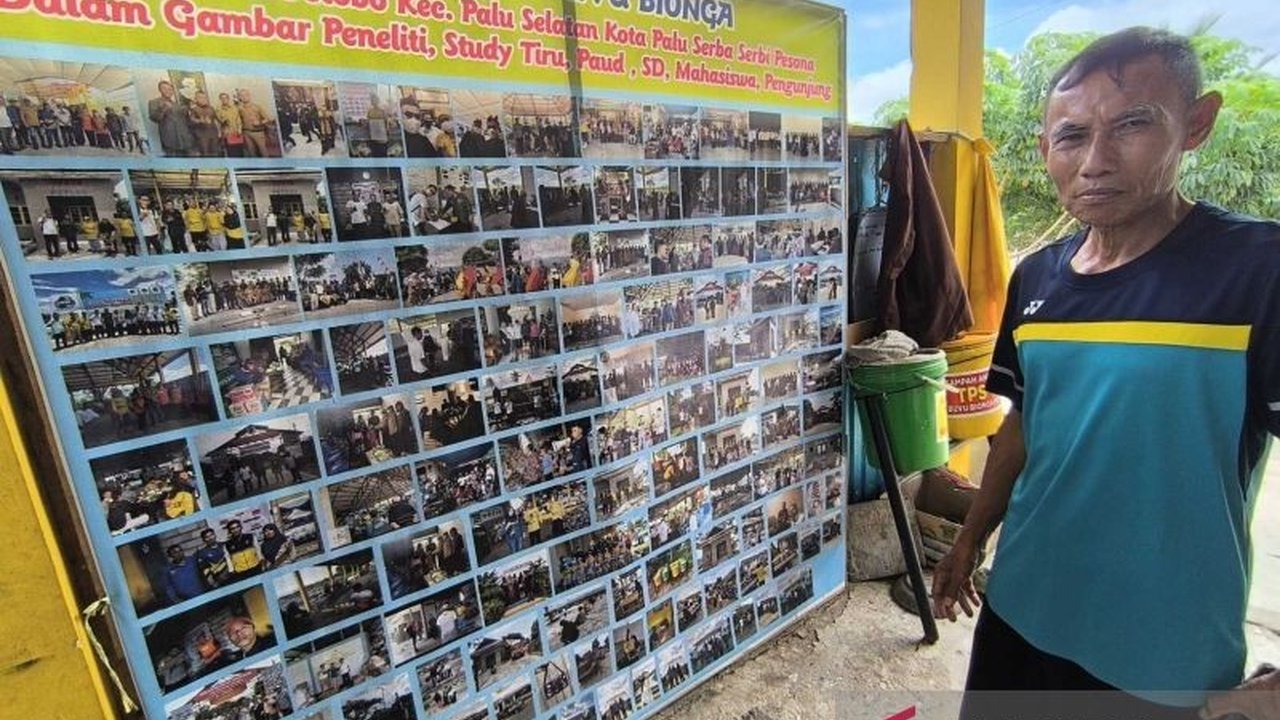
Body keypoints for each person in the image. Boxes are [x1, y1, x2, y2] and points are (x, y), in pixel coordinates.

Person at [929, 28, 1280, 720]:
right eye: (1071, 136)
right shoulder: (1037, 280)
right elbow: (1023, 426)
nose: (1095, 161)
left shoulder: (1256, 272)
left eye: (1132, 126)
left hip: (1160, 651)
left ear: (1196, 125)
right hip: (1023, 605)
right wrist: (968, 540)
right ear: (1043, 151)